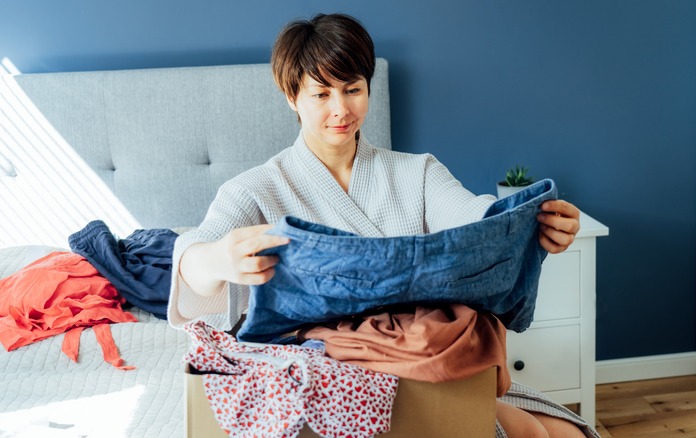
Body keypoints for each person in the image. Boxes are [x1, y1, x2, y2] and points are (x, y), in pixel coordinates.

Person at [169, 12, 588, 438]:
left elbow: (473, 218)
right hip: (325, 376)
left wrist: (531, 223)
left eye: (353, 89)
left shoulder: (417, 172)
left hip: (426, 354)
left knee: (564, 433)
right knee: (529, 433)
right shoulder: (255, 190)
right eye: (321, 93)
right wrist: (219, 258)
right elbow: (192, 256)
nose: (341, 110)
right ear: (291, 96)